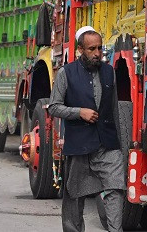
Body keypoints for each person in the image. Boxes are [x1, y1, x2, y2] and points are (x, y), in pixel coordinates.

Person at [48, 26, 124, 232]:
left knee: (116, 188)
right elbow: (54, 107)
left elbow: (115, 109)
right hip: (79, 144)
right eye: (92, 49)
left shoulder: (109, 72)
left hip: (107, 144)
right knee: (75, 194)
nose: (97, 53)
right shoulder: (66, 73)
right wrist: (78, 112)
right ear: (80, 49)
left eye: (99, 48)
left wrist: (122, 144)